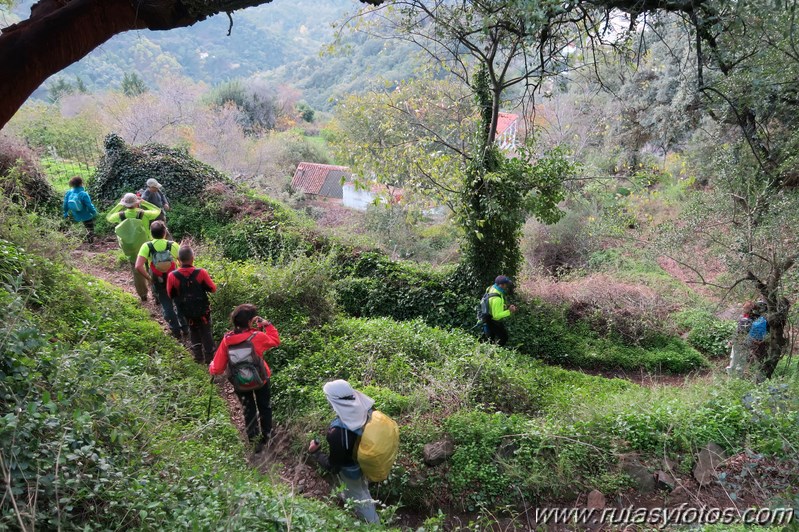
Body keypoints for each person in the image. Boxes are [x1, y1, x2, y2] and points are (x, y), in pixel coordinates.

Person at [307, 380, 380, 524]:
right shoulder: (368, 410)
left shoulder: (337, 433)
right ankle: (359, 499)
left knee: (359, 497)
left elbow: (333, 467)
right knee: (361, 488)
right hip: (367, 462)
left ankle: (374, 525)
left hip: (351, 470)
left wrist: (315, 453)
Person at [209, 304, 279, 453]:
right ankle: (267, 435)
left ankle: (254, 443)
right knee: (264, 406)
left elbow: (218, 367)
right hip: (261, 379)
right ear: (249, 322)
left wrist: (211, 367)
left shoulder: (227, 340)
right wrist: (267, 325)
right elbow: (275, 340)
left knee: (249, 410)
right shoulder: (257, 337)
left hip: (240, 383)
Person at [135, 221, 186, 339]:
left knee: (166, 304)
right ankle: (185, 327)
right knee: (178, 302)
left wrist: (149, 278)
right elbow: (183, 261)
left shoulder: (147, 246)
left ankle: (175, 330)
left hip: (158, 279)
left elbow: (138, 266)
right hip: (174, 278)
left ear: (151, 234)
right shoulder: (172, 244)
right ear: (164, 233)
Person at [106, 193, 161, 302]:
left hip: (131, 248)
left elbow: (108, 217)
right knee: (152, 268)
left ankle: (143, 295)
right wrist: (144, 202)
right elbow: (157, 210)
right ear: (136, 203)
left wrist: (119, 205)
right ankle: (156, 295)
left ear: (125, 204)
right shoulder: (143, 213)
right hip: (146, 245)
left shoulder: (120, 215)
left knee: (136, 270)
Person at [167, 245, 217, 363]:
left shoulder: (172, 276)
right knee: (206, 331)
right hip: (203, 310)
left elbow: (170, 294)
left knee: (193, 330)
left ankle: (198, 357)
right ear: (192, 258)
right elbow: (213, 289)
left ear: (178, 260)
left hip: (186, 311)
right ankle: (210, 357)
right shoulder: (201, 273)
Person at [482, 275, 518, 346]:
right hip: (492, 320)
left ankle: (492, 351)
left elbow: (491, 302)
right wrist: (509, 311)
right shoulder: (497, 298)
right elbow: (496, 316)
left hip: (487, 316)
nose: (507, 286)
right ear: (501, 285)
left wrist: (504, 306)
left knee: (491, 339)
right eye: (506, 284)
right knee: (503, 337)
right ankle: (496, 351)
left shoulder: (491, 288)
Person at [62, 176, 98, 242]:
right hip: (86, 215)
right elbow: (89, 205)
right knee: (89, 228)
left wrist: (65, 212)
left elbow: (65, 204)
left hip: (75, 214)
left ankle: (76, 240)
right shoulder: (83, 194)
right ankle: (90, 243)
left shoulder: (69, 192)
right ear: (81, 183)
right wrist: (94, 212)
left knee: (79, 227)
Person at [726, 301, 754, 375]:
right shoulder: (748, 318)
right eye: (744, 308)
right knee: (740, 360)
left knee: (736, 360)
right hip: (745, 342)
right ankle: (736, 377)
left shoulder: (747, 319)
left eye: (745, 308)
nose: (744, 309)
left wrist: (732, 341)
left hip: (741, 342)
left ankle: (733, 377)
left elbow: (738, 331)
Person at [748, 300, 769, 367]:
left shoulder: (752, 316)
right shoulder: (767, 318)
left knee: (752, 354)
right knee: (761, 356)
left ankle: (750, 368)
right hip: (763, 340)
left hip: (752, 339)